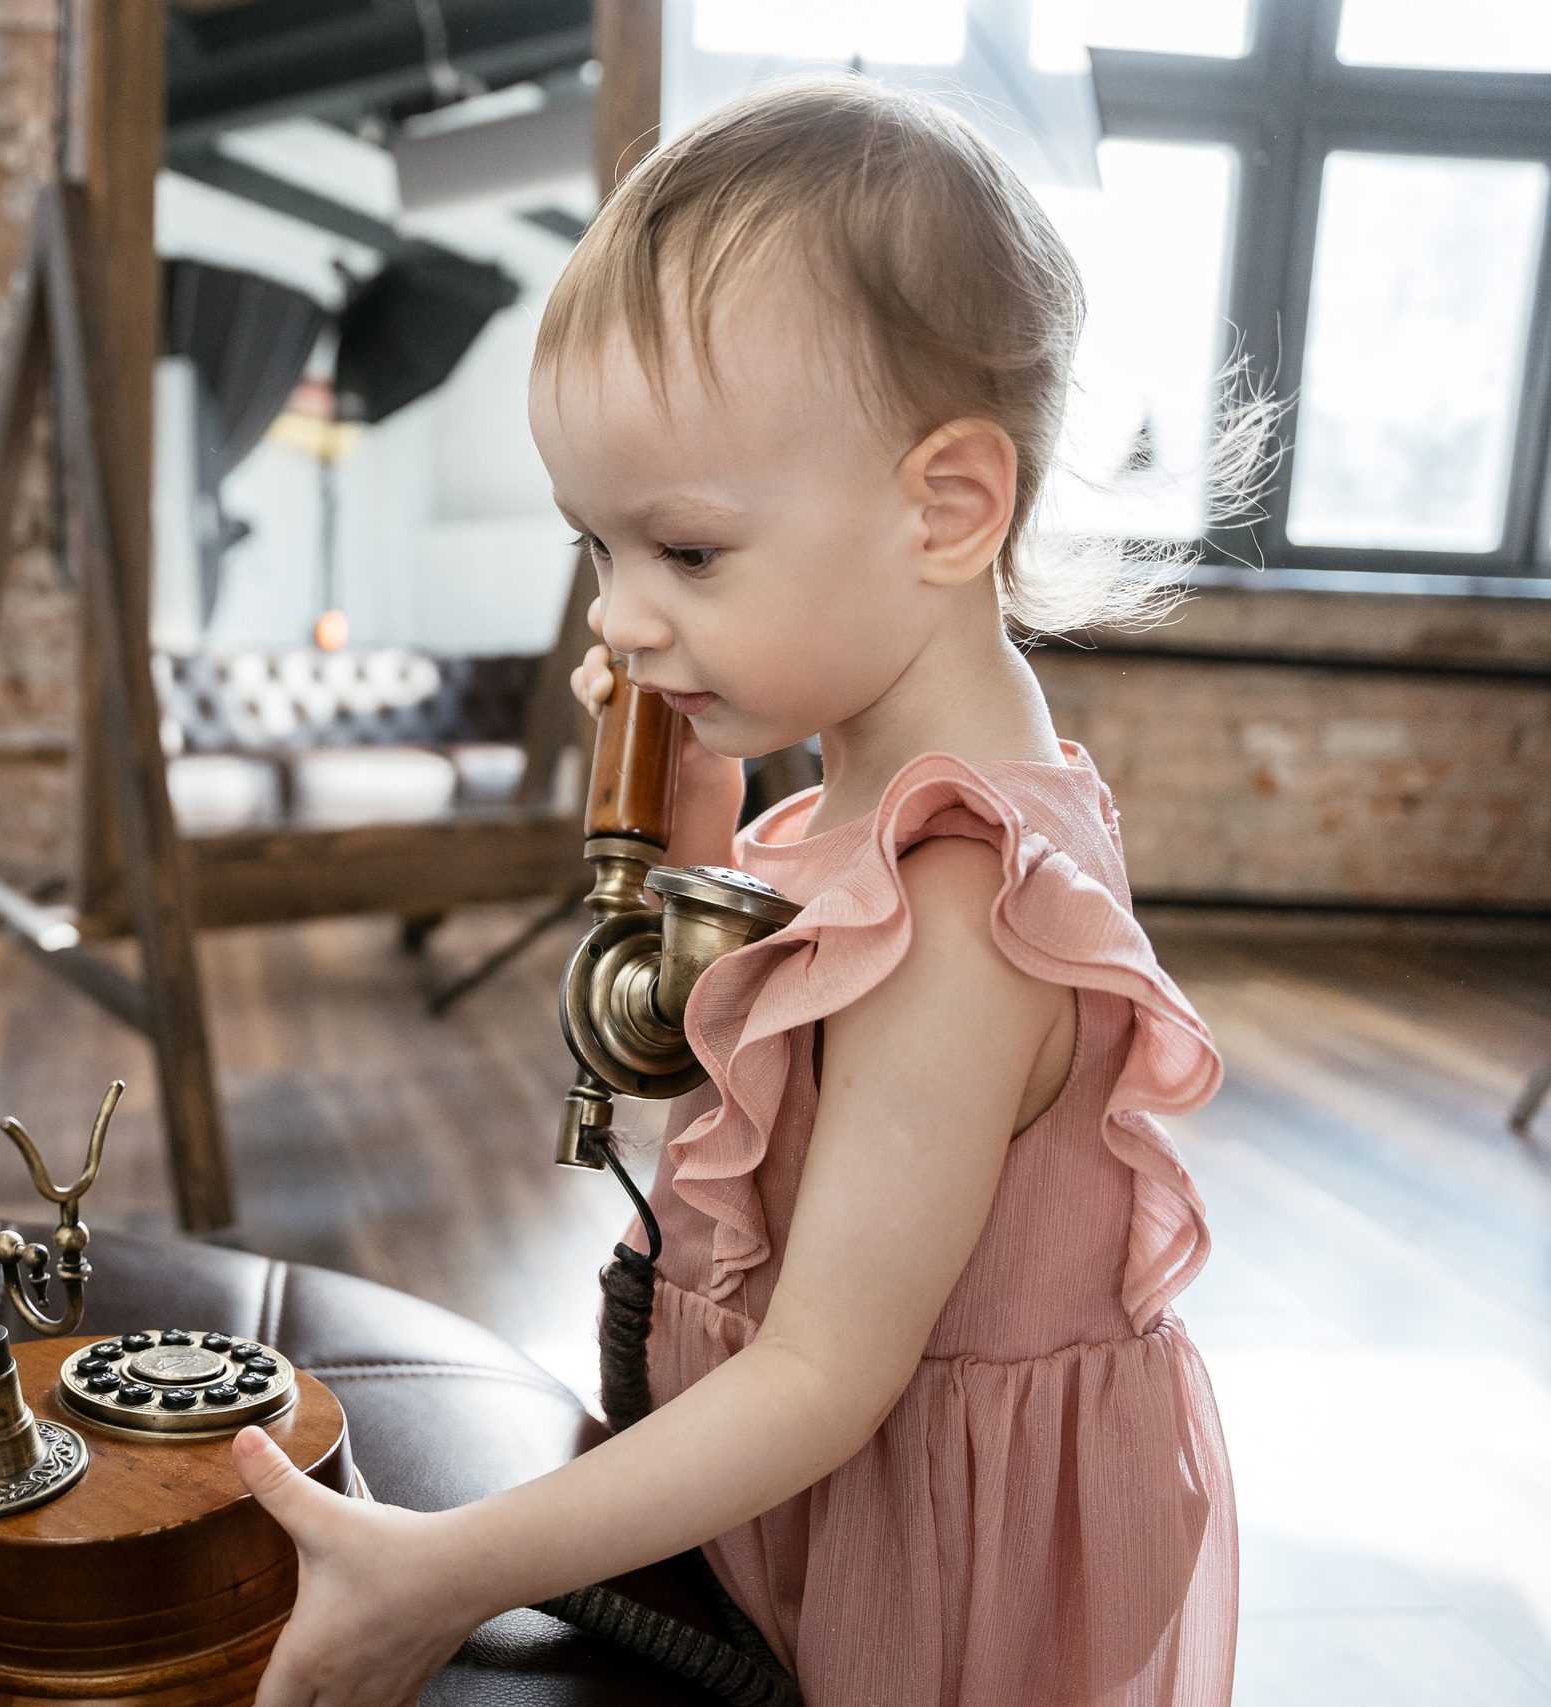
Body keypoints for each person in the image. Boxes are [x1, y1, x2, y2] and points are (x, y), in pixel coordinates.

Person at [230, 74, 1240, 1707]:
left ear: (946, 508)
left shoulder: (967, 910)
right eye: (598, 547)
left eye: (685, 553)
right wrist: (693, 831)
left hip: (928, 1579)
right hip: (826, 1523)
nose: (621, 618)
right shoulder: (853, 815)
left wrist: (449, 1568)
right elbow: (747, 1113)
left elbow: (823, 1377)